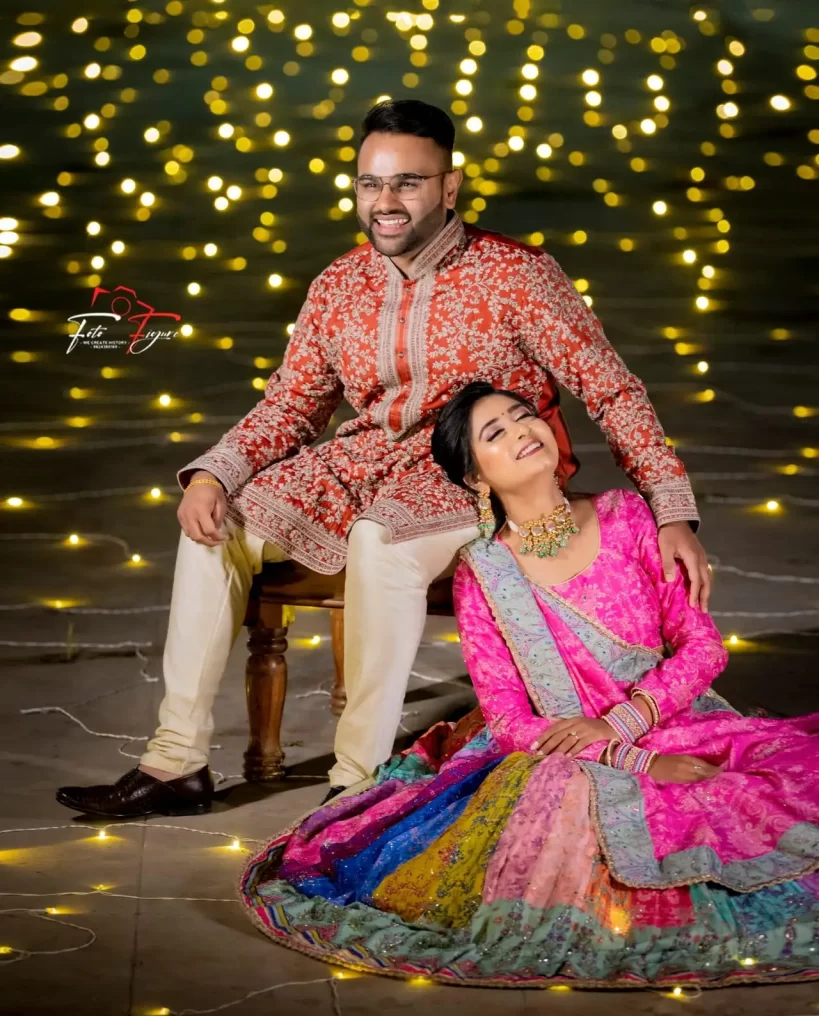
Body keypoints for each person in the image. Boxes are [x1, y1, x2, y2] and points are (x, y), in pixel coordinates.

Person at [56, 99, 709, 820]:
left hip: (471, 470)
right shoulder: (339, 285)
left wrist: (671, 509)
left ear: (449, 187)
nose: (385, 202)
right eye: (371, 183)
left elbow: (611, 389)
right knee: (218, 521)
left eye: (408, 183)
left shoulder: (516, 275)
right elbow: (293, 404)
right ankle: (174, 763)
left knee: (381, 539)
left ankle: (356, 778)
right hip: (362, 460)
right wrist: (215, 471)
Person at [240, 383, 819, 990]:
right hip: (559, 748)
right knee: (555, 803)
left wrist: (624, 724)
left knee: (761, 801)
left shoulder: (626, 516)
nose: (521, 432)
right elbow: (511, 719)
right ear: (475, 478)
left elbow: (702, 647)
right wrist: (627, 758)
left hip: (677, 719)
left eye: (524, 417)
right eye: (495, 434)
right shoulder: (483, 573)